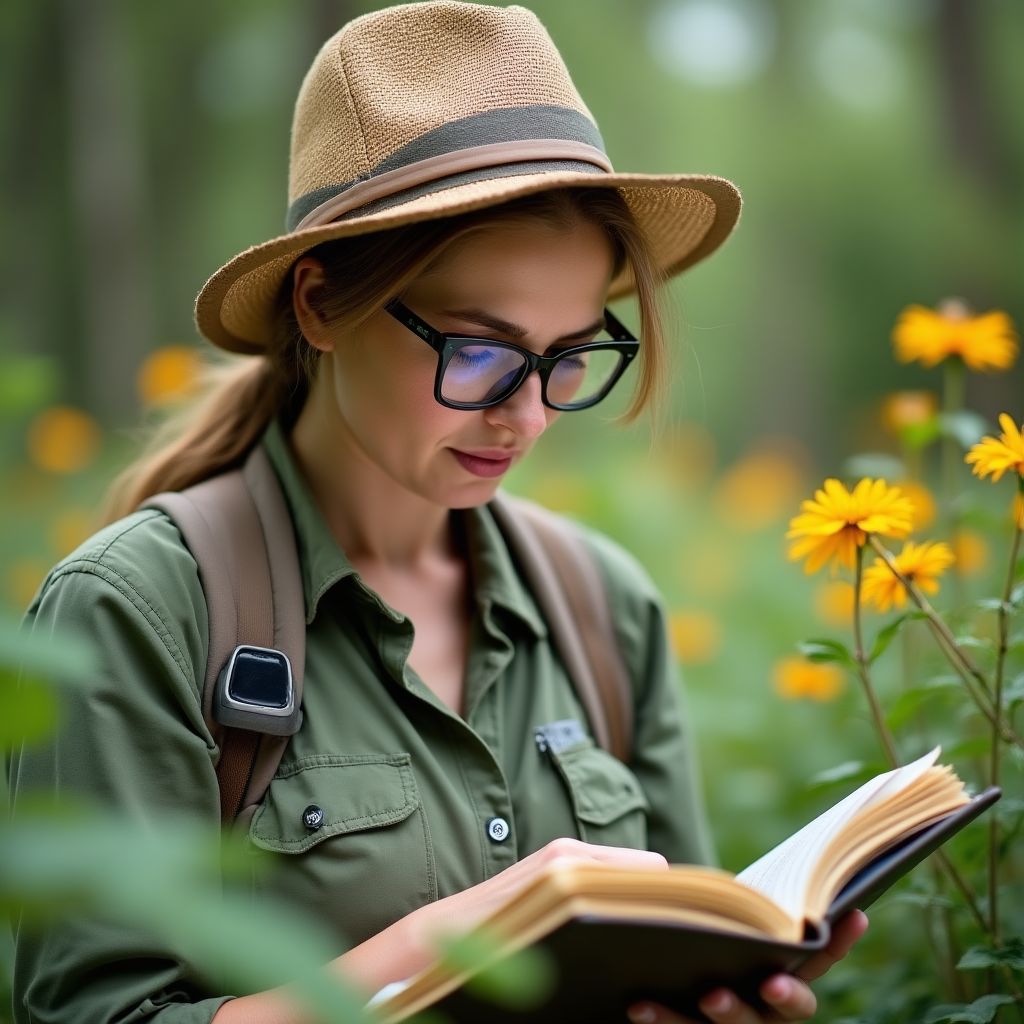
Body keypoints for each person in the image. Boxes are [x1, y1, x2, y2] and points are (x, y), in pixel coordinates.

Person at [8, 3, 867, 1022]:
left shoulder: (605, 610)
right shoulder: (141, 610)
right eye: (480, 351)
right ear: (319, 305)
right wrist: (436, 945)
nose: (528, 413)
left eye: (569, 356)